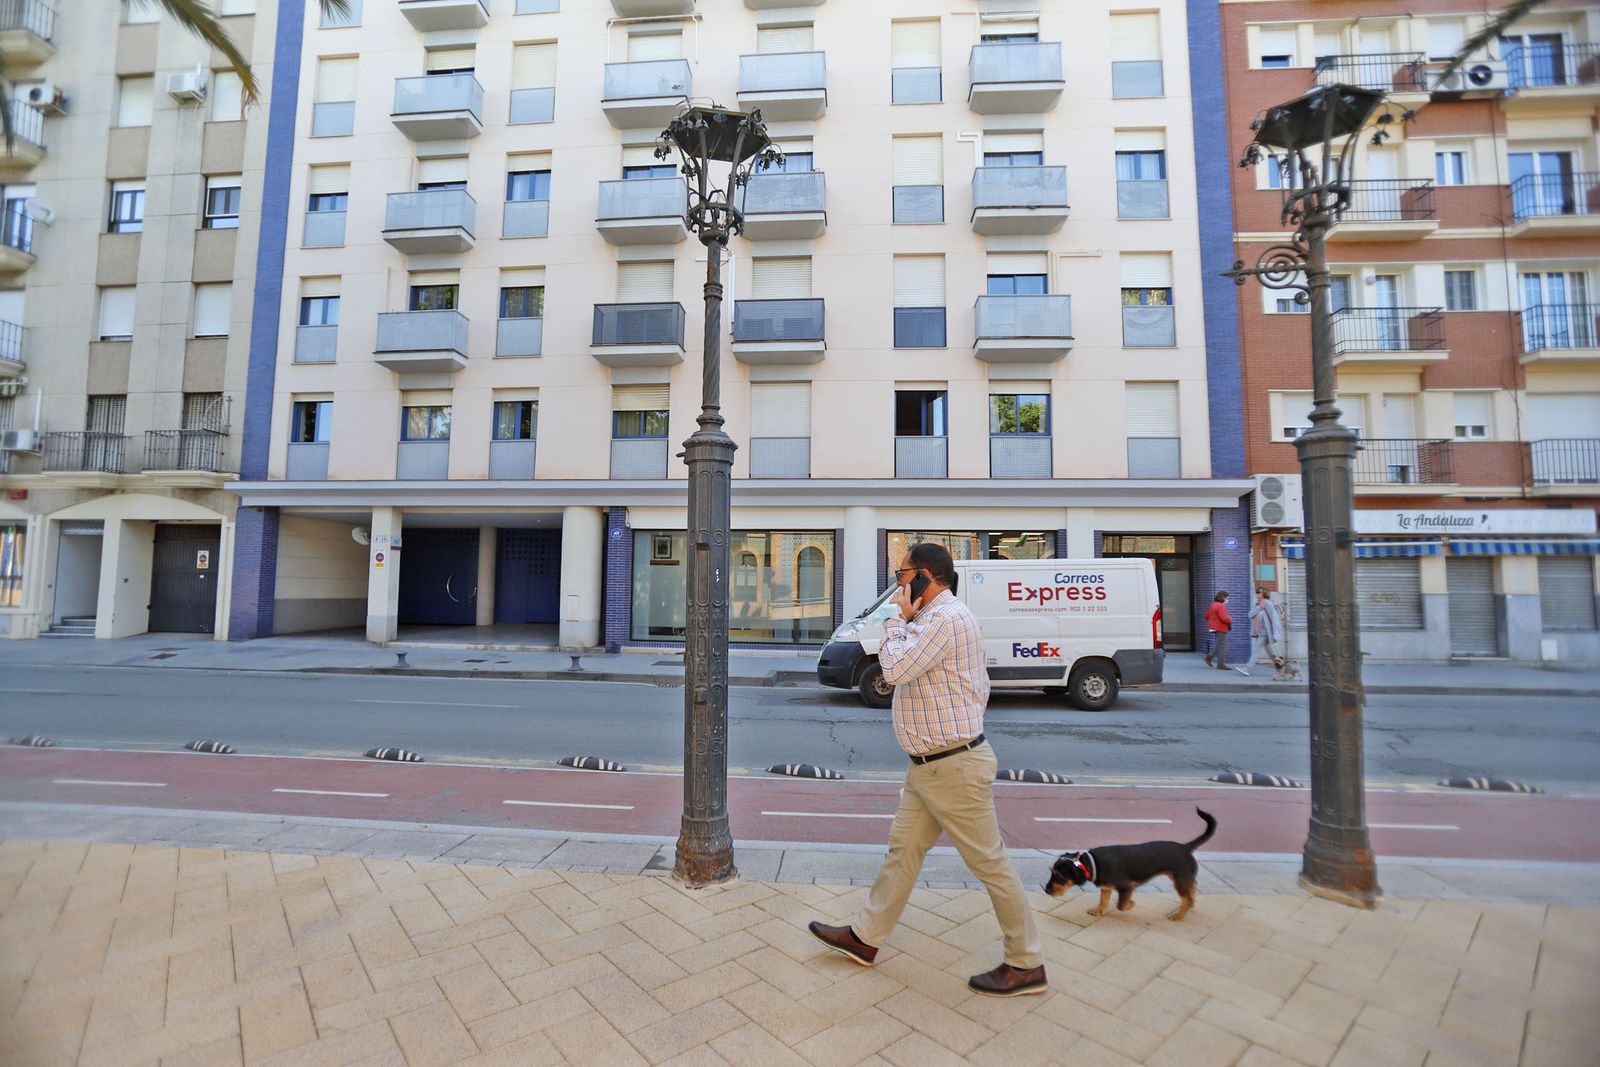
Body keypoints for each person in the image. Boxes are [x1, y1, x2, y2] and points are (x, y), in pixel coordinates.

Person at [807, 543, 1046, 998]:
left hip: (952, 766)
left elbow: (893, 669)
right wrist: (906, 620)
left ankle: (1026, 962)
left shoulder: (946, 619)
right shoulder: (931, 619)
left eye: (903, 573)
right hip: (930, 767)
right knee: (903, 853)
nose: (898, 582)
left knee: (991, 865)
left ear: (926, 576)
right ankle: (865, 937)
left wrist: (896, 618)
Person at [1249, 588, 1284, 674]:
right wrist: (1260, 607)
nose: (1257, 594)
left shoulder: (1268, 604)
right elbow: (1250, 615)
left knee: (1256, 651)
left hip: (1265, 632)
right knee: (1270, 651)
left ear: (1264, 593)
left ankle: (1248, 668)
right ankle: (1280, 668)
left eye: (1259, 592)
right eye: (1256, 592)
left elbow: (1274, 618)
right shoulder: (1257, 604)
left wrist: (1276, 632)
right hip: (1259, 631)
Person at [1203, 590, 1232, 670]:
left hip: (1213, 627)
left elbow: (1206, 616)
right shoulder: (1221, 606)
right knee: (1223, 646)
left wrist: (1213, 619)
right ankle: (1220, 663)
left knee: (1220, 644)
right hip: (1221, 627)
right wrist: (1230, 618)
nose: (1227, 600)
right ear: (1223, 597)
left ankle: (1209, 657)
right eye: (1227, 598)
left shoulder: (1213, 605)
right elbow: (1224, 618)